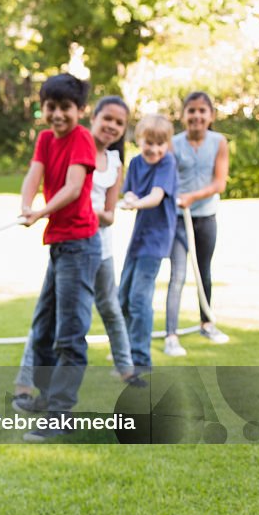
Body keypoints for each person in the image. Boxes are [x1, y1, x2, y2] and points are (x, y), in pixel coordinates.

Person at [11, 95, 141, 410]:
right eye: (106, 118)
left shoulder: (113, 163)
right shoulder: (67, 143)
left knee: (102, 312)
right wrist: (34, 207)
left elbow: (107, 214)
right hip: (65, 243)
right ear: (92, 117)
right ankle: (28, 386)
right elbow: (44, 177)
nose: (111, 126)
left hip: (95, 246)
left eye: (119, 123)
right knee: (46, 321)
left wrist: (82, 209)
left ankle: (125, 370)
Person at [11, 73, 102, 442]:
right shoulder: (45, 139)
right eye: (51, 107)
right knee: (44, 327)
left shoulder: (82, 138)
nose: (58, 114)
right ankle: (47, 398)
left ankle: (60, 412)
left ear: (80, 109)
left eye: (66, 107)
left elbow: (73, 186)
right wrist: (25, 205)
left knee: (69, 332)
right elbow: (35, 174)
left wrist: (41, 211)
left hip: (80, 244)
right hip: (59, 245)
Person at [163, 91, 230, 356]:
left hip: (206, 216)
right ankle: (171, 335)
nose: (197, 116)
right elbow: (166, 177)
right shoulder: (173, 143)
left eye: (202, 111)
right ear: (183, 116)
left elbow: (219, 183)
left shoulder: (219, 142)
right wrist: (179, 198)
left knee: (204, 272)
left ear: (211, 116)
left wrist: (193, 196)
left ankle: (207, 323)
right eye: (191, 111)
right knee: (177, 275)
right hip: (179, 219)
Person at [118, 114, 178, 371]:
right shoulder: (135, 163)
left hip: (156, 240)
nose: (154, 149)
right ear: (139, 140)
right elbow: (129, 190)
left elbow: (155, 196)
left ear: (167, 144)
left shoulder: (167, 163)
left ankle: (140, 359)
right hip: (138, 236)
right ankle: (125, 350)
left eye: (159, 143)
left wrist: (134, 203)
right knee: (122, 296)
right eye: (148, 142)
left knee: (139, 298)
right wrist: (130, 197)